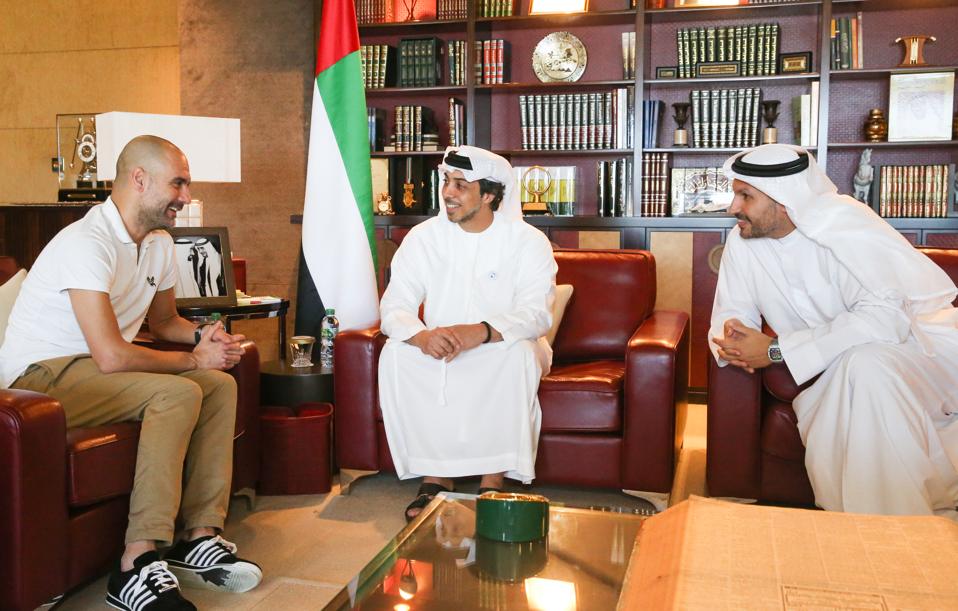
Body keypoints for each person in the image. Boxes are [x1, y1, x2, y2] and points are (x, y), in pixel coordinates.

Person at [0, 136, 262, 610]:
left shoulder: (159, 244)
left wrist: (205, 338)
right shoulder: (86, 242)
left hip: (94, 371)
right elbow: (111, 356)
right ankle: (136, 562)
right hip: (39, 377)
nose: (185, 196)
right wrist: (190, 362)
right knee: (178, 394)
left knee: (219, 386)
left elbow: (164, 322)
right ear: (139, 180)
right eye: (178, 183)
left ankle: (198, 537)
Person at [709, 143, 958, 520]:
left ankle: (887, 532)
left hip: (923, 354)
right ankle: (890, 531)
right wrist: (735, 340)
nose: (732, 208)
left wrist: (777, 350)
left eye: (745, 196)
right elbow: (732, 314)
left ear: (784, 201)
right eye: (735, 194)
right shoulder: (743, 241)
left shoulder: (848, 226)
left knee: (866, 365)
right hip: (843, 368)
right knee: (861, 366)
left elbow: (885, 321)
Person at [377, 145, 557, 521]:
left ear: (489, 194)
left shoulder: (527, 241)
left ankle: (493, 481)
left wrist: (481, 332)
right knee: (396, 354)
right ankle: (435, 476)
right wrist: (422, 337)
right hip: (440, 343)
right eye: (446, 181)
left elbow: (536, 314)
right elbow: (394, 306)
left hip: (503, 343)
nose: (447, 193)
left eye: (461, 185)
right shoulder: (424, 237)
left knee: (518, 355)